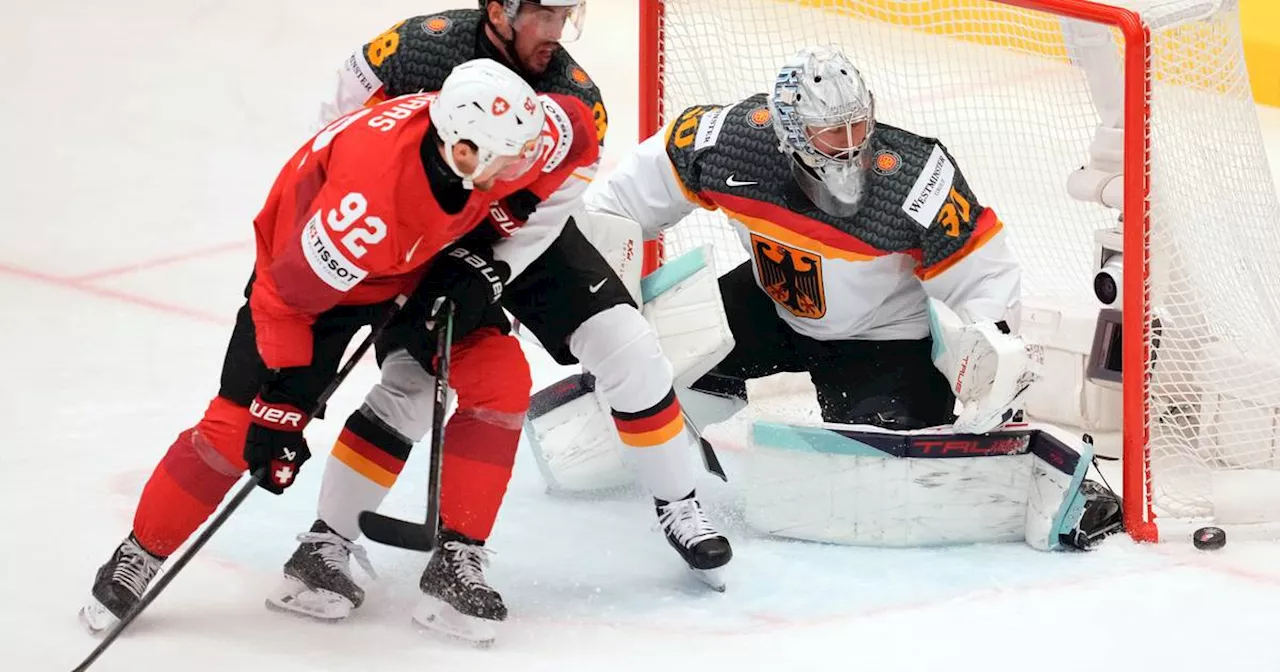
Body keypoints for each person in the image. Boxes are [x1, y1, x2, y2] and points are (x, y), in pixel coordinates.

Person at [79, 58, 599, 635]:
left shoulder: (505, 137)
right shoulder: (366, 207)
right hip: (311, 283)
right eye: (506, 164)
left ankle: (455, 560)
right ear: (460, 151)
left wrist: (499, 234)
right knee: (238, 431)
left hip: (419, 261)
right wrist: (282, 405)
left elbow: (579, 135)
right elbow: (287, 299)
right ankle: (138, 556)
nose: (520, 168)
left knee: (500, 378)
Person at [268, 0, 732, 634]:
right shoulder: (417, 47)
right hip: (418, 237)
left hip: (518, 234)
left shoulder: (576, 97)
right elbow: (340, 137)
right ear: (499, 9)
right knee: (411, 385)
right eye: (545, 15)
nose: (557, 33)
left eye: (567, 16)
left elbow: (559, 196)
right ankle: (325, 544)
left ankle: (679, 502)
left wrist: (494, 267)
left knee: (629, 346)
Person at [574, 44, 1122, 549]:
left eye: (859, 123)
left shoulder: (914, 177)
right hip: (769, 303)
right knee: (654, 369)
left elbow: (984, 276)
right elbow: (619, 205)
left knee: (878, 482)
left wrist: (988, 362)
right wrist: (595, 297)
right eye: (831, 132)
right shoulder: (725, 141)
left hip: (882, 338)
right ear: (789, 131)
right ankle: (638, 458)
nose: (853, 143)